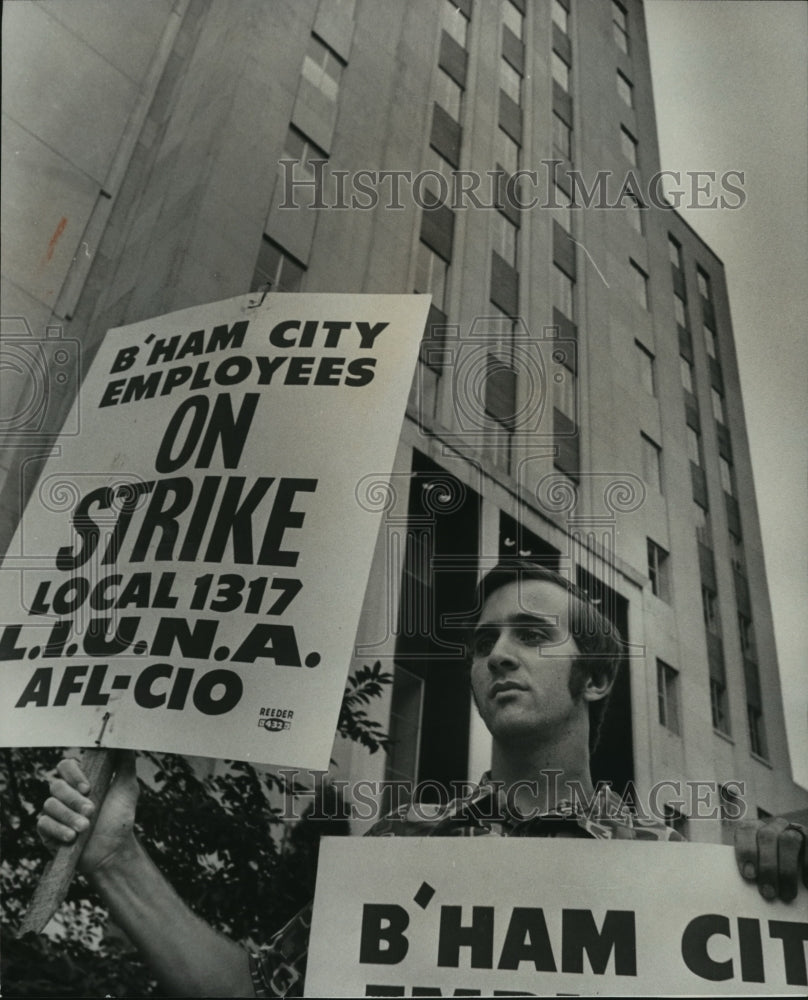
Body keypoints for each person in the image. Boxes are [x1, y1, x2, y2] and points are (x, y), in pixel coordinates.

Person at [37, 560, 807, 997]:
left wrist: (788, 874)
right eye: (482, 643)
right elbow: (255, 991)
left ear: (597, 679)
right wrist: (114, 857)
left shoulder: (679, 864)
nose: (497, 655)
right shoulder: (403, 844)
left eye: (532, 635)